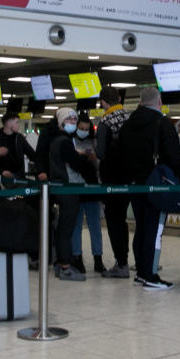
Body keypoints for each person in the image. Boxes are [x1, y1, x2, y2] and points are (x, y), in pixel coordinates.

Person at [118, 87, 180, 290]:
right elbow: (174, 155)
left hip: (134, 183)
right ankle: (150, 275)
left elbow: (119, 153)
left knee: (141, 227)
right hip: (156, 183)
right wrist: (178, 176)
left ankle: (141, 271)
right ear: (159, 101)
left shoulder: (128, 125)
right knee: (154, 230)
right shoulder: (162, 123)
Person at [48, 107, 94, 281]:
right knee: (66, 228)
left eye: (74, 120)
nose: (73, 123)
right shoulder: (64, 142)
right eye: (69, 120)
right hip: (69, 187)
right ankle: (65, 266)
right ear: (61, 122)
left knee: (63, 227)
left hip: (61, 186)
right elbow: (75, 163)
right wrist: (85, 159)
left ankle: (61, 263)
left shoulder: (55, 141)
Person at [95, 86, 131, 278]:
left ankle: (121, 262)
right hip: (130, 177)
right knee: (123, 220)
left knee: (114, 220)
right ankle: (128, 260)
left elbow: (101, 152)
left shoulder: (105, 122)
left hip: (111, 178)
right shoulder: (130, 116)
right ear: (119, 98)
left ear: (103, 102)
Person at [70, 115, 104, 273]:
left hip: (92, 187)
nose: (83, 131)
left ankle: (98, 258)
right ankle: (77, 257)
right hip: (76, 186)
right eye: (81, 129)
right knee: (76, 225)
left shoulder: (93, 141)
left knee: (95, 225)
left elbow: (98, 164)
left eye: (86, 129)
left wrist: (92, 158)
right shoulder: (70, 141)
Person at [0, 112, 35, 179]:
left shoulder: (19, 139)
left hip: (19, 177)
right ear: (9, 124)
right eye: (17, 122)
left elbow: (32, 154)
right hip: (1, 178)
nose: (18, 125)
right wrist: (1, 171)